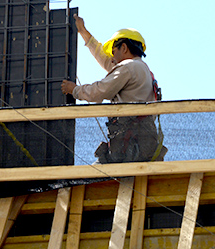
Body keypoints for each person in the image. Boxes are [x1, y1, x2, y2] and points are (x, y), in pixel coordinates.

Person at [61, 14, 166, 163]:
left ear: (124, 47)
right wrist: (84, 32)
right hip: (142, 145)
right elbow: (105, 60)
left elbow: (99, 91)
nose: (112, 57)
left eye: (114, 52)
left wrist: (74, 90)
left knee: (91, 176)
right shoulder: (141, 70)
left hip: (129, 145)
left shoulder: (128, 68)